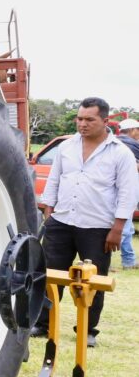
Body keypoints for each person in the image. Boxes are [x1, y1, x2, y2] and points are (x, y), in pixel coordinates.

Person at [32, 98, 139, 346]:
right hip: (62, 221)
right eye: (79, 119)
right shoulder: (67, 147)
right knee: (50, 276)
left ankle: (87, 330)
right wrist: (48, 212)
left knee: (93, 281)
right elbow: (54, 180)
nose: (83, 124)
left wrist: (118, 229)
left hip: (98, 227)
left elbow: (128, 192)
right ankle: (43, 323)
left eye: (89, 119)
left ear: (105, 121)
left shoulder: (120, 153)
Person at [115, 118, 139, 268]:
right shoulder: (131, 146)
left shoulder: (115, 143)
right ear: (131, 130)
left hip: (118, 190)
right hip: (126, 190)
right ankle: (103, 259)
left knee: (127, 227)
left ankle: (129, 260)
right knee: (124, 227)